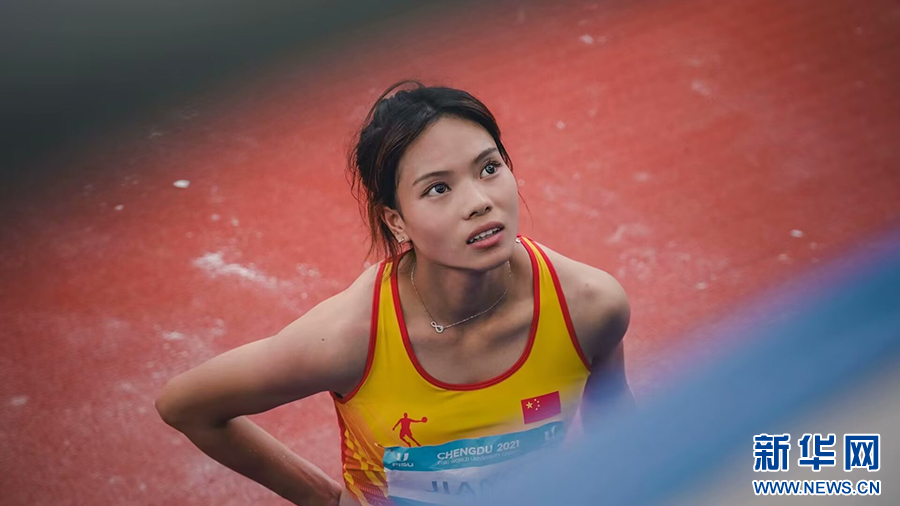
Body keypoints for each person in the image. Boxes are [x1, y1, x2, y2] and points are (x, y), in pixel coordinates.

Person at [155, 80, 634, 506]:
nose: (479, 201)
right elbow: (186, 406)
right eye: (438, 189)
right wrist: (318, 497)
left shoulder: (589, 308)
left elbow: (621, 442)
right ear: (396, 221)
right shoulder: (351, 338)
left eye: (489, 168)